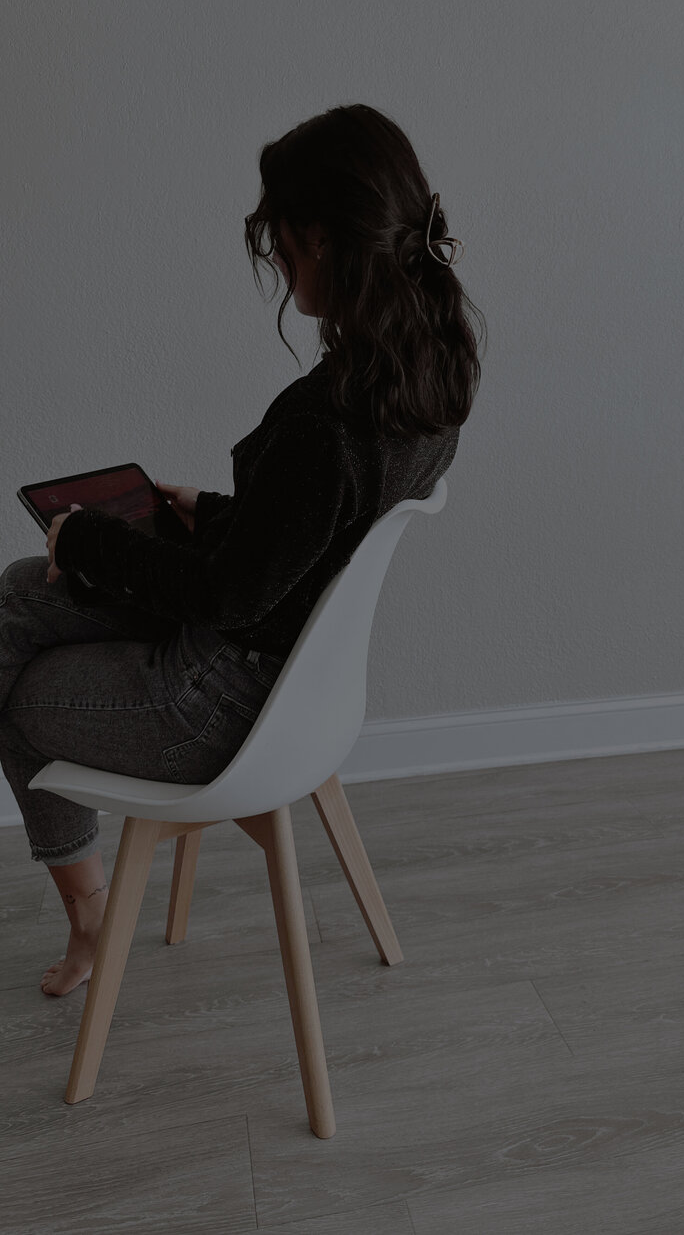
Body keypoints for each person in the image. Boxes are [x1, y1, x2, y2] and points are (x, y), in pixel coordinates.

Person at [0, 102, 487, 995]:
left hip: (225, 696)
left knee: (16, 687)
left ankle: (92, 925)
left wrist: (97, 539)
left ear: (322, 241)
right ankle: (89, 918)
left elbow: (228, 599)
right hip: (303, 682)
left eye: (281, 241)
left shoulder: (326, 421)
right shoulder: (434, 372)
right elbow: (312, 535)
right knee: (18, 594)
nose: (276, 259)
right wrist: (213, 510)